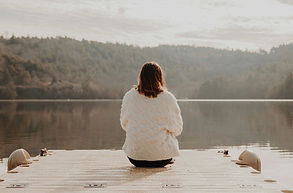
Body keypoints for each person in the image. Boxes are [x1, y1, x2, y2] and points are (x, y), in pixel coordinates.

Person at [120, 62, 183, 167]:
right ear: (160, 78)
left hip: (135, 158)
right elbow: (177, 129)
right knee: (169, 135)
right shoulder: (168, 98)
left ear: (140, 77)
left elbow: (124, 124)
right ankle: (158, 152)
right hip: (162, 158)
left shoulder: (129, 96)